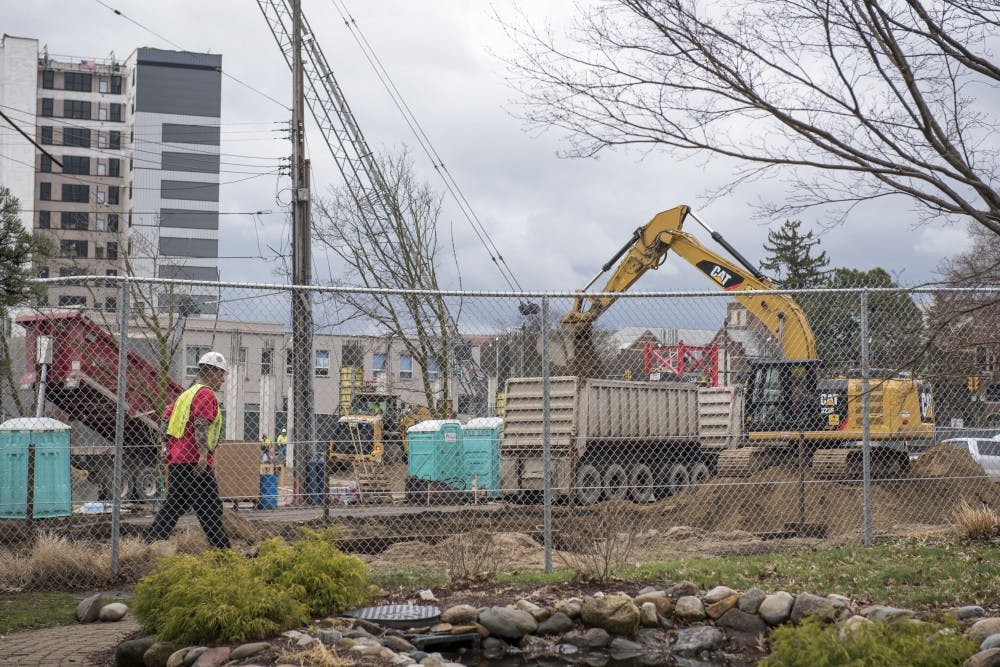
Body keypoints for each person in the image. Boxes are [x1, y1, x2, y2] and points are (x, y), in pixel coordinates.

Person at [146, 351, 231, 549]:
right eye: (222, 375)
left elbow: (165, 419)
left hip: (178, 461)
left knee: (173, 506)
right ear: (213, 372)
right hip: (195, 462)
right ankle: (224, 553)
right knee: (210, 508)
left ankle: (151, 544)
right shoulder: (206, 394)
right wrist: (202, 455)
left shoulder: (186, 394)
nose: (222, 380)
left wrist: (164, 446)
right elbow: (201, 424)